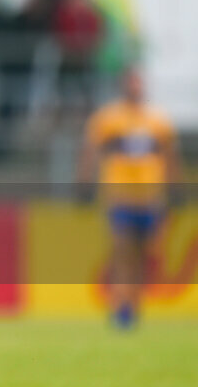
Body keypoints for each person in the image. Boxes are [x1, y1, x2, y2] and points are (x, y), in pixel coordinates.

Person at [77, 68, 181, 330]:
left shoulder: (158, 120)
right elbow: (90, 152)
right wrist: (84, 184)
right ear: (123, 85)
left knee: (143, 255)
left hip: (150, 197)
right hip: (120, 196)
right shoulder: (108, 118)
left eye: (139, 82)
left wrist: (176, 188)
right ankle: (121, 308)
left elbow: (169, 157)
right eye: (131, 82)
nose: (136, 87)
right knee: (122, 252)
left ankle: (133, 306)